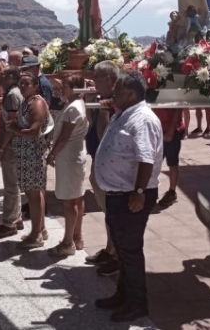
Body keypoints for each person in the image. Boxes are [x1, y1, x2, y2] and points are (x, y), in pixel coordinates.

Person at [94, 71, 163, 322]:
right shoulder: (125, 112)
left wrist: (139, 193)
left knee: (130, 251)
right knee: (122, 250)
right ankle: (122, 294)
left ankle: (137, 303)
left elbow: (146, 159)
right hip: (117, 194)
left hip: (130, 196)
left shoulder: (142, 119)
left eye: (118, 91)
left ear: (132, 94)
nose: (113, 94)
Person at [6, 72, 53, 249]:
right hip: (25, 154)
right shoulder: (26, 102)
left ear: (35, 86)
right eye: (21, 83)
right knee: (34, 192)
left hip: (32, 154)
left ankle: (36, 235)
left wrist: (15, 129)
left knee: (34, 195)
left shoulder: (37, 103)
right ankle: (40, 229)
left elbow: (34, 130)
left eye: (27, 83)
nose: (23, 86)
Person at [84, 61, 119, 276]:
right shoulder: (101, 99)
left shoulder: (114, 102)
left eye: (96, 77)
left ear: (108, 79)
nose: (93, 80)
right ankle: (109, 248)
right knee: (107, 212)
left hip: (107, 161)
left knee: (111, 211)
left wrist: (103, 109)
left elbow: (103, 134)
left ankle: (115, 254)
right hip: (97, 157)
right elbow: (91, 125)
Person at [47, 74, 88, 256]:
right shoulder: (76, 105)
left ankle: (68, 241)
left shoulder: (73, 109)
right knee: (77, 197)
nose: (61, 89)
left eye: (65, 87)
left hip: (69, 157)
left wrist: (52, 153)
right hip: (74, 156)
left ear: (75, 89)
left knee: (69, 201)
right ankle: (77, 236)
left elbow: (64, 136)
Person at [0, 66, 24, 239]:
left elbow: (11, 125)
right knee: (14, 183)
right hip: (15, 143)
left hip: (11, 145)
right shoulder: (15, 93)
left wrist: (1, 147)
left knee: (11, 184)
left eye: (3, 74)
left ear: (11, 77)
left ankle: (9, 223)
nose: (0, 76)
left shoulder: (12, 96)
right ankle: (16, 217)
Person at [153, 109, 184, 206]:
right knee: (153, 162)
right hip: (155, 129)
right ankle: (151, 190)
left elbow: (179, 109)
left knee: (172, 162)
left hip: (172, 129)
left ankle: (172, 192)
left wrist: (171, 130)